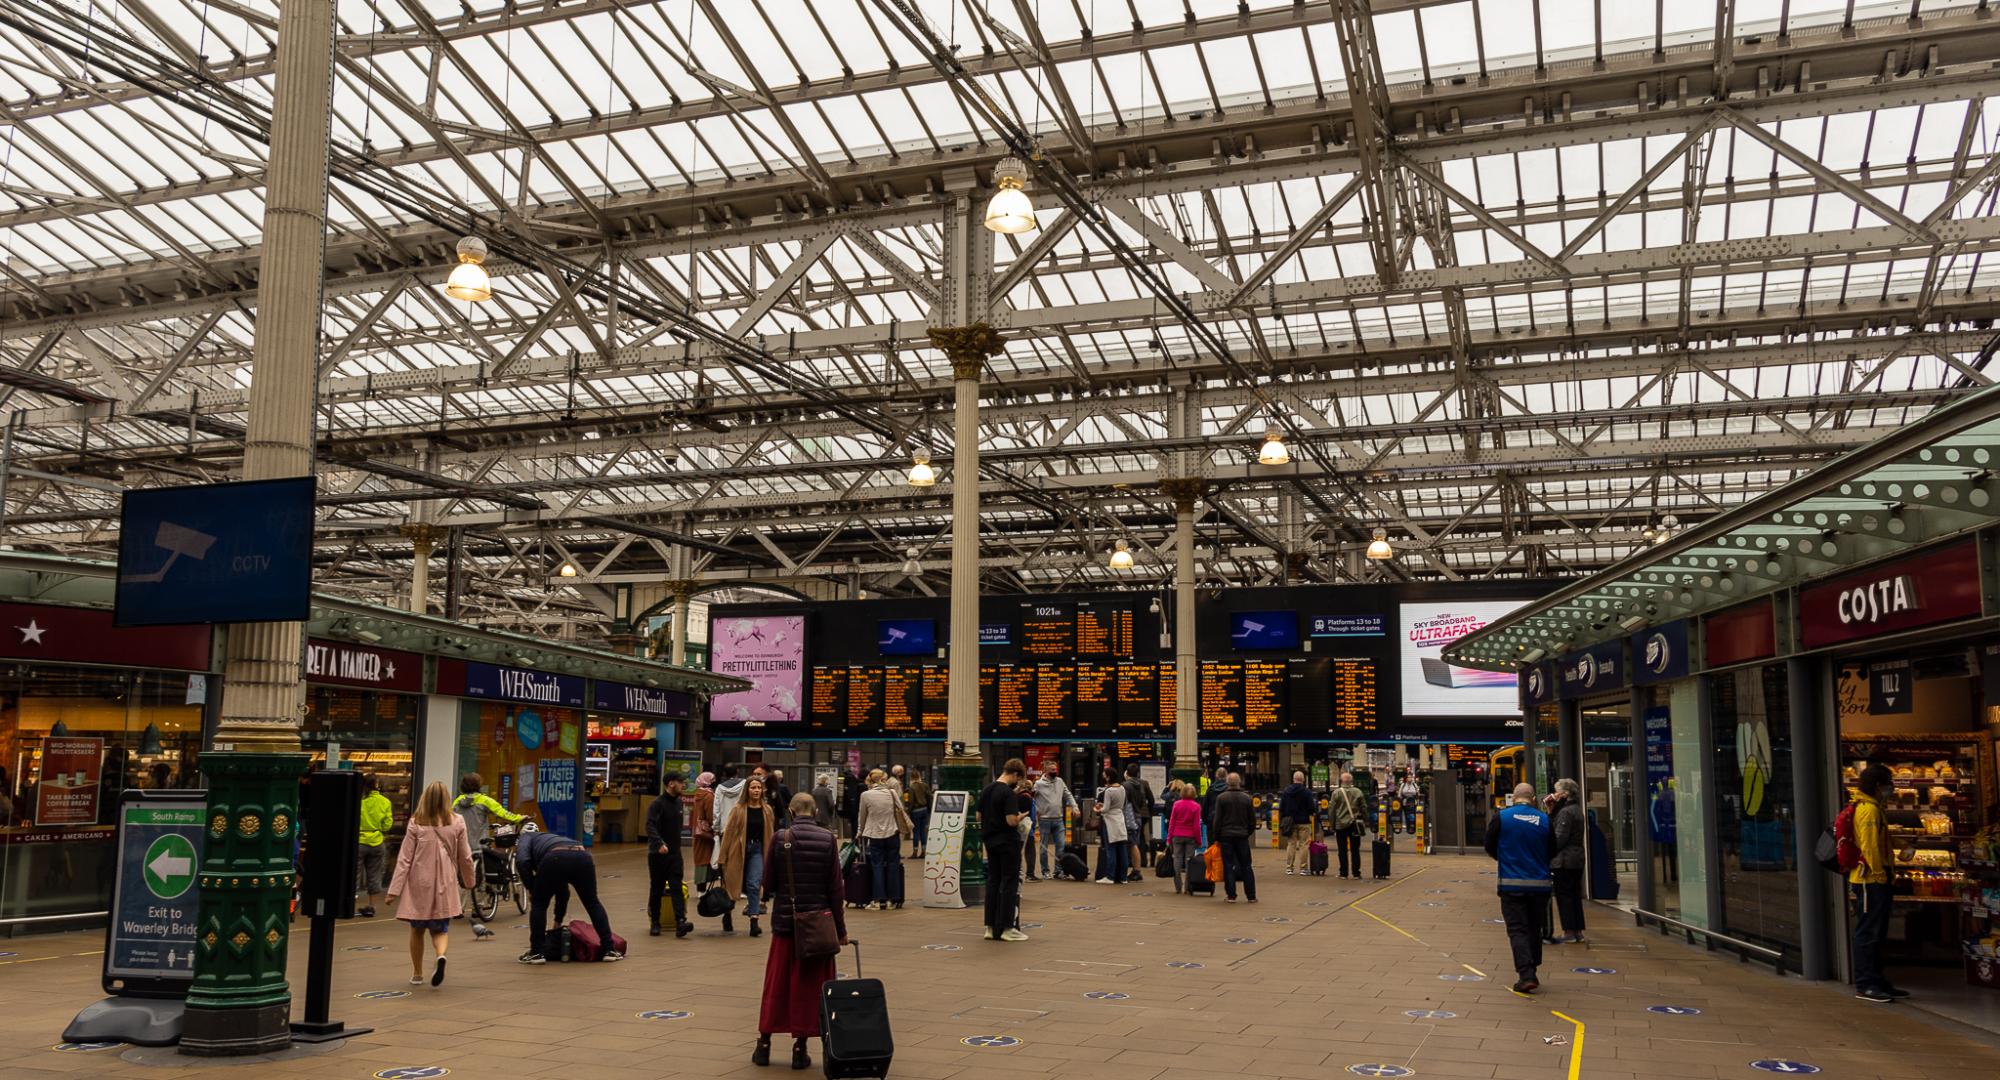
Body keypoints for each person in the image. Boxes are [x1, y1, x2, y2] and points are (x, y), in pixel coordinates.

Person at [753, 793, 850, 1070]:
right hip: (817, 927)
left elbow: (768, 883)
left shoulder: (780, 838)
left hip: (785, 926)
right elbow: (836, 890)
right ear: (816, 811)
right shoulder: (828, 840)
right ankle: (800, 1048)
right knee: (809, 988)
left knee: (776, 985)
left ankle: (764, 1045)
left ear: (791, 812)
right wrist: (840, 930)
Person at [385, 781, 475, 987]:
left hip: (419, 882)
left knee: (417, 930)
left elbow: (405, 858)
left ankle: (417, 974)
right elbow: (466, 857)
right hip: (446, 881)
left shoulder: (416, 821)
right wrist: (470, 881)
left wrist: (394, 891)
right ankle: (441, 955)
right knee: (440, 929)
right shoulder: (458, 821)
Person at [1484, 782, 1556, 993]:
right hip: (1540, 885)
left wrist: (1504, 858)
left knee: (1517, 929)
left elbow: (1489, 844)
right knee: (1534, 927)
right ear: (1533, 799)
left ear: (1513, 798)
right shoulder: (1544, 819)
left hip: (1511, 884)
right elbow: (1553, 848)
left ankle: (1526, 974)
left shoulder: (1502, 818)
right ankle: (1532, 966)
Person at [515, 827, 621, 964]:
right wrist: (557, 922)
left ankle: (536, 953)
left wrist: (531, 887)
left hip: (555, 858)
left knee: (539, 904)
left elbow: (522, 861)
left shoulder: (525, 837)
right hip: (583, 856)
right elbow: (563, 891)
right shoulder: (550, 838)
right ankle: (609, 950)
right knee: (592, 903)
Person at [1849, 764, 1904, 1003]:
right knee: (1869, 931)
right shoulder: (1868, 810)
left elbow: (1881, 839)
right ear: (1879, 786)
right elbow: (1869, 847)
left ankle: (1878, 980)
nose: (1891, 788)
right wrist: (1880, 875)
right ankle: (1866, 983)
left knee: (1878, 931)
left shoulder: (1873, 808)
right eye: (1888, 784)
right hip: (1869, 880)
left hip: (1875, 879)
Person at [451, 773, 523, 939]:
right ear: (478, 785)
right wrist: (519, 818)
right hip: (479, 845)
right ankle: (479, 906)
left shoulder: (456, 802)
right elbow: (503, 813)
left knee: (460, 877)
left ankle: (458, 908)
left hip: (462, 846)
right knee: (481, 876)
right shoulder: (484, 800)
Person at [718, 775, 777, 937]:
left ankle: (754, 921)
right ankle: (727, 914)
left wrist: (772, 856)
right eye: (753, 788)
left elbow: (770, 834)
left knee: (754, 883)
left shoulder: (767, 810)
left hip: (757, 849)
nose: (756, 790)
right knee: (732, 884)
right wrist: (722, 858)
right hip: (738, 850)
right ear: (747, 790)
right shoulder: (738, 809)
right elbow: (729, 834)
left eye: (758, 788)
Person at [979, 759, 1030, 941]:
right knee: (1009, 883)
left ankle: (990, 927)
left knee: (993, 881)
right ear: (1015, 774)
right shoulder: (1008, 793)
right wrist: (1021, 816)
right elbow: (1011, 821)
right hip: (1007, 843)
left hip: (990, 841)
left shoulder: (987, 790)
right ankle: (1008, 928)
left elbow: (979, 815)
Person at [646, 772, 695, 938]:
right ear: (671, 783)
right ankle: (655, 922)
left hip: (674, 853)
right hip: (658, 854)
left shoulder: (679, 803)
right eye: (680, 782)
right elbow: (650, 825)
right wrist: (659, 843)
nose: (683, 785)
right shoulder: (657, 804)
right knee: (657, 888)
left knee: (676, 887)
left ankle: (681, 921)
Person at [855, 769, 912, 910]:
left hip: (875, 835)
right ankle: (892, 901)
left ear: (870, 780)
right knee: (893, 866)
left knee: (877, 866)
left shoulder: (865, 795)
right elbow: (900, 809)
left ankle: (878, 900)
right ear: (883, 779)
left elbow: (862, 815)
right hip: (893, 833)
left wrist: (860, 831)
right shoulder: (892, 793)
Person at [1549, 778, 1588, 944]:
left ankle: (1569, 931)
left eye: (1557, 792)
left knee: (1564, 896)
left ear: (1565, 793)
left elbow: (1559, 837)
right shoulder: (1576, 809)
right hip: (1577, 858)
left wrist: (1547, 851)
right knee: (1574, 895)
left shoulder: (1565, 812)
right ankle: (1578, 930)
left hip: (1565, 860)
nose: (1555, 795)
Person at [1213, 772, 1258, 903]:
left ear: (1227, 783)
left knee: (1228, 865)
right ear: (1239, 782)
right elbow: (1252, 821)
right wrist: (1247, 832)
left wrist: (1217, 836)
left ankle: (1231, 895)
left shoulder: (1221, 798)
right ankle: (1251, 895)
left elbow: (1217, 820)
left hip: (1226, 836)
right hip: (1242, 836)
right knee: (1246, 866)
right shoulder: (1247, 798)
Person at [1031, 764, 1078, 879]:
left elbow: (1068, 795)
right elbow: (1031, 798)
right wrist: (1036, 810)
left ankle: (1058, 871)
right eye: (1052, 770)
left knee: (1061, 847)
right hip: (1044, 820)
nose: (1055, 771)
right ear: (1045, 771)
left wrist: (1075, 807)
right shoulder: (1038, 784)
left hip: (1058, 819)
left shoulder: (1060, 781)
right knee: (1043, 849)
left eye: (1056, 769)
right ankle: (1045, 871)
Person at [355, 772, 392, 918]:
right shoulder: (385, 802)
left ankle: (352, 904)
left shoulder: (360, 801)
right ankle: (371, 906)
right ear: (377, 785)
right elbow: (387, 824)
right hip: (377, 841)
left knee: (354, 875)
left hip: (360, 841)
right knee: (374, 875)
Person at [1166, 780, 1204, 895]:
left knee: (1177, 859)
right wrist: (1199, 840)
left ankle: (1178, 886)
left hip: (1176, 835)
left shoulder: (1176, 804)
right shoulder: (1196, 806)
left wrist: (1169, 838)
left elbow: (1172, 822)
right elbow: (1196, 826)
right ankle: (1188, 886)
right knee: (1189, 862)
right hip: (1191, 837)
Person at [1093, 767, 1129, 886]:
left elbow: (1106, 809)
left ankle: (1110, 876)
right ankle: (1123, 877)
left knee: (1111, 849)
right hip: (1120, 818)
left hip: (1110, 821)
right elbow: (1121, 805)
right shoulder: (1122, 788)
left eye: (1104, 775)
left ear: (1108, 777)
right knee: (1122, 849)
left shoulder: (1109, 791)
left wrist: (1098, 809)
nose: (1103, 777)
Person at [1328, 772, 1366, 879]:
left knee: (1342, 850)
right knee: (1355, 849)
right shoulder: (1358, 792)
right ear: (1351, 781)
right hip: (1355, 825)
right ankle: (1356, 873)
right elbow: (1364, 808)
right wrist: (1366, 820)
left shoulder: (1336, 793)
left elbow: (1331, 810)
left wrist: (1332, 824)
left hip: (1340, 825)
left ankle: (1343, 873)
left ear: (1341, 781)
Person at [1279, 770, 1317, 876]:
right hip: (1304, 822)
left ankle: (1289, 868)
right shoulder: (1307, 792)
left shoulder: (1286, 791)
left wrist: (1283, 819)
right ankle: (1303, 869)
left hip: (1290, 822)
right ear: (1303, 780)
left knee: (1291, 844)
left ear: (1293, 779)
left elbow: (1281, 807)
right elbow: (1311, 808)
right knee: (1304, 845)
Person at [1122, 764, 1153, 875]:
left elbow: (1124, 803)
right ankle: (1141, 862)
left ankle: (1134, 867)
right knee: (1140, 839)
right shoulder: (1142, 784)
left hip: (1130, 816)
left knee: (1131, 842)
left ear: (1127, 773)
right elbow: (1150, 799)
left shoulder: (1125, 785)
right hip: (1141, 814)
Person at [691, 772, 719, 891]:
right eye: (712, 780)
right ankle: (702, 890)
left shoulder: (698, 794)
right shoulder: (708, 796)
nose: (714, 782)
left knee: (699, 858)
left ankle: (700, 889)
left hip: (698, 833)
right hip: (707, 834)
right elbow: (711, 816)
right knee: (707, 858)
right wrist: (716, 828)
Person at [905, 770, 933, 860]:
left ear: (911, 778)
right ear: (919, 776)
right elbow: (929, 797)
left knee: (916, 832)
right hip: (924, 810)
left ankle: (915, 852)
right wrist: (929, 809)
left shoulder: (911, 787)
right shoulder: (925, 785)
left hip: (915, 811)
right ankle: (924, 851)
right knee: (923, 832)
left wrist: (908, 812)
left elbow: (911, 802)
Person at [839, 767, 862, 839]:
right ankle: (856, 843)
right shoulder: (853, 780)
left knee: (852, 826)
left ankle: (854, 841)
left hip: (846, 808)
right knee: (855, 827)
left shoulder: (841, 779)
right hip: (854, 809)